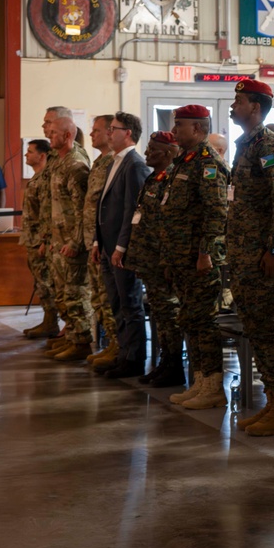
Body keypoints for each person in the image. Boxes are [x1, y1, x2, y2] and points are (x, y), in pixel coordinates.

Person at [225, 80, 274, 434]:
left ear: (255, 107)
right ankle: (273, 400)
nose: (232, 106)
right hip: (243, 255)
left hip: (261, 257)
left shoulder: (269, 145)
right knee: (254, 328)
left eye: (238, 101)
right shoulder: (245, 145)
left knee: (267, 330)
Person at [163, 105, 229, 410]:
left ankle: (213, 386)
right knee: (191, 319)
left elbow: (216, 213)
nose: (175, 131)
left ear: (198, 129)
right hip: (181, 257)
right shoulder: (183, 161)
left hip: (199, 258)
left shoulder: (207, 162)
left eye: (180, 126)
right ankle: (200, 382)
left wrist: (204, 253)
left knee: (205, 321)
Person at [92, 112, 152, 378]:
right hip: (107, 245)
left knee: (130, 304)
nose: (108, 133)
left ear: (127, 132)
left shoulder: (135, 164)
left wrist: (121, 247)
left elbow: (132, 210)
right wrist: (97, 240)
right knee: (116, 303)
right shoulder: (114, 162)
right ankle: (122, 353)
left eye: (113, 129)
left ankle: (134, 359)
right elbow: (103, 205)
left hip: (121, 248)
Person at [128, 131, 186, 388]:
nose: (147, 153)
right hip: (149, 258)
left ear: (169, 153)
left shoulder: (174, 179)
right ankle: (165, 362)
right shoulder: (155, 178)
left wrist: (166, 259)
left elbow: (172, 224)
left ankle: (174, 366)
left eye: (152, 149)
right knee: (161, 313)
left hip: (164, 260)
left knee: (170, 313)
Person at [44, 116, 93, 361]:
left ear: (67, 136)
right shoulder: (59, 162)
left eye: (53, 133)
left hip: (72, 244)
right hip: (59, 241)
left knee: (75, 294)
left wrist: (75, 242)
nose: (48, 136)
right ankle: (72, 337)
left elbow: (83, 208)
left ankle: (82, 342)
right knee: (63, 294)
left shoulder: (75, 164)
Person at [81, 115, 118, 369]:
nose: (91, 134)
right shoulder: (99, 162)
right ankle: (109, 345)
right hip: (93, 241)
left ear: (110, 133)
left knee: (107, 296)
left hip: (106, 241)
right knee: (98, 297)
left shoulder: (114, 163)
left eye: (97, 131)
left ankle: (117, 346)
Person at [21, 139, 61, 340]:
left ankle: (51, 323)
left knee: (46, 283)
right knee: (40, 283)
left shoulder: (45, 179)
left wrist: (44, 240)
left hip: (40, 241)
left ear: (42, 155)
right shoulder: (36, 178)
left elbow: (46, 213)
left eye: (30, 152)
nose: (26, 155)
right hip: (32, 239)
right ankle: (48, 320)